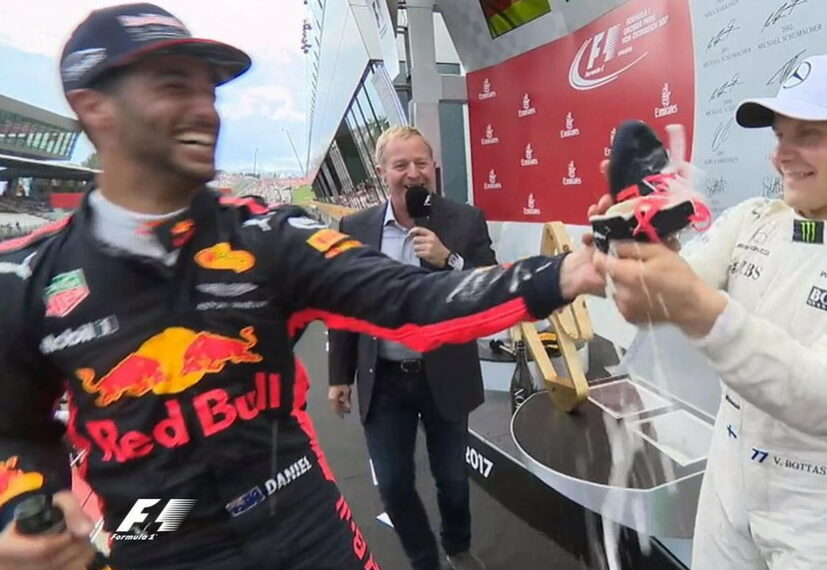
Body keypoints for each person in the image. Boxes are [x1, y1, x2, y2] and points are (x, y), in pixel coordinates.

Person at [0, 4, 602, 570]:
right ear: (95, 108)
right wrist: (25, 507)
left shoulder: (268, 236)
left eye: (209, 91)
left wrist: (567, 271)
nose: (206, 110)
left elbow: (408, 300)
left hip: (295, 511)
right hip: (156, 531)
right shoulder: (26, 277)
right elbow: (13, 429)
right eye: (173, 87)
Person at [592, 53, 827, 569]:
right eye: (780, 135)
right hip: (725, 477)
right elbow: (654, 303)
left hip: (812, 504)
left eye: (808, 134)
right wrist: (628, 244)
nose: (782, 155)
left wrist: (703, 310)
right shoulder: (753, 220)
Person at [328, 126, 494, 570]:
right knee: (393, 484)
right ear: (382, 172)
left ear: (433, 167)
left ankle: (457, 545)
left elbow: (492, 287)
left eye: (421, 163)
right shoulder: (355, 228)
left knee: (453, 480)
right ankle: (424, 560)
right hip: (383, 380)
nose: (413, 173)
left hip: (446, 374)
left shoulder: (464, 220)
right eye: (400, 165)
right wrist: (339, 375)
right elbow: (343, 304)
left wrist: (450, 260)